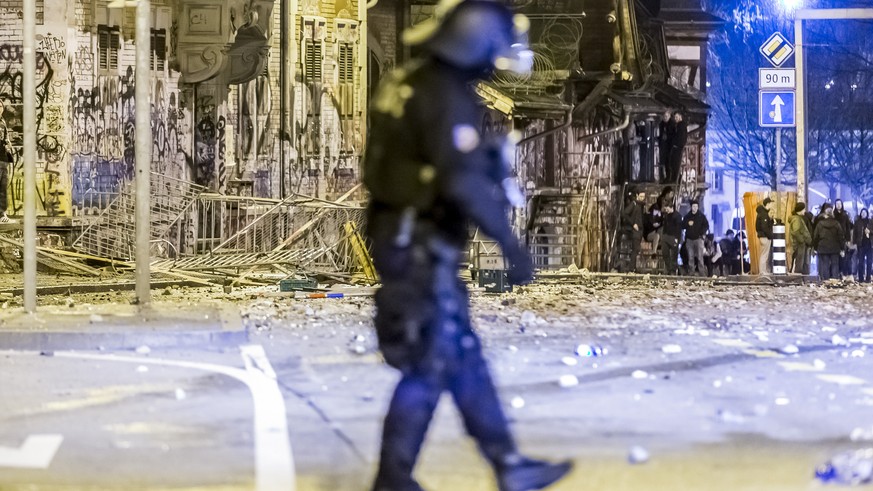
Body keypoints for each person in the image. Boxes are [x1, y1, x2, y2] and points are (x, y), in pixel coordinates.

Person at [362, 2, 572, 490]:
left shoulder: (406, 81)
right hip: (420, 243)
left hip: (403, 235)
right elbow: (461, 181)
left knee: (462, 356)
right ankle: (392, 479)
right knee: (431, 363)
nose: (489, 68)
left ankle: (508, 465)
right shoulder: (442, 94)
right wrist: (510, 245)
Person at [814, 203, 844, 282]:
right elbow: (841, 237)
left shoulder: (820, 224)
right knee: (835, 265)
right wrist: (842, 248)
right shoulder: (837, 224)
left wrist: (815, 247)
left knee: (825, 265)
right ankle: (834, 281)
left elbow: (816, 236)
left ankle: (825, 281)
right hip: (835, 247)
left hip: (823, 247)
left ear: (825, 214)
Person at [619, 190, 644, 273]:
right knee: (635, 249)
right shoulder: (634, 204)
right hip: (635, 230)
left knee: (636, 249)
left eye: (643, 197)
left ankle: (633, 267)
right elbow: (624, 213)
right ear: (637, 195)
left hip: (640, 230)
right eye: (641, 196)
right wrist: (633, 224)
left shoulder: (640, 205)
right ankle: (631, 268)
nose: (642, 198)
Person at [682, 200, 709, 276]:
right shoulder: (687, 216)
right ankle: (691, 272)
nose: (695, 208)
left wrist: (702, 233)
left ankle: (702, 272)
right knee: (690, 257)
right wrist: (687, 224)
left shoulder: (701, 216)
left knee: (700, 257)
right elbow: (683, 225)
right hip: (689, 239)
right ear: (691, 207)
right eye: (693, 206)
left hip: (698, 239)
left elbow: (706, 225)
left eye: (696, 206)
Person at [789, 202, 812, 275]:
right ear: (800, 210)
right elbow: (796, 231)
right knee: (799, 261)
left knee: (803, 261)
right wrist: (802, 240)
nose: (804, 211)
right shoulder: (797, 219)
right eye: (803, 209)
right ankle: (797, 276)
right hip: (799, 244)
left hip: (801, 244)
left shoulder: (798, 218)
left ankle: (803, 276)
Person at [661, 201, 682, 275]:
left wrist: (677, 239)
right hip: (666, 236)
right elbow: (665, 227)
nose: (666, 211)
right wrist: (663, 235)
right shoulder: (666, 216)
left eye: (667, 209)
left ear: (671, 208)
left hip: (674, 237)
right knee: (665, 253)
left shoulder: (677, 216)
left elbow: (678, 229)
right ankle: (668, 268)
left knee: (674, 255)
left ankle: (673, 270)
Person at [834, 199, 854, 277]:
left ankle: (844, 273)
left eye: (840, 204)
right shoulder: (833, 215)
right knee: (837, 258)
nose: (838, 205)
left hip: (844, 239)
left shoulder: (845, 215)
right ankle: (838, 274)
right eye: (837, 204)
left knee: (844, 257)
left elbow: (848, 227)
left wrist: (848, 239)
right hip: (835, 239)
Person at [755, 197, 775, 274]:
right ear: (767, 204)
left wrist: (771, 220)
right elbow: (764, 227)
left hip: (763, 236)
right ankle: (762, 271)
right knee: (764, 255)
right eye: (771, 203)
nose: (771, 205)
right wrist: (770, 235)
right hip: (765, 237)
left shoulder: (762, 213)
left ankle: (764, 271)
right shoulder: (764, 214)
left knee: (764, 255)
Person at [666, 111, 687, 184]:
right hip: (677, 146)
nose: (675, 119)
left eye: (677, 117)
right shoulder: (679, 126)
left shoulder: (681, 126)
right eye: (675, 117)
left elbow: (680, 137)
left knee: (675, 163)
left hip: (678, 147)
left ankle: (676, 178)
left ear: (680, 117)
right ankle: (675, 178)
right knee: (673, 163)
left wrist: (676, 143)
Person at [854, 208, 873, 282]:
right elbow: (855, 234)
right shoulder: (857, 222)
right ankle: (861, 278)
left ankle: (868, 278)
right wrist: (855, 243)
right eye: (862, 212)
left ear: (867, 213)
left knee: (869, 262)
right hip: (860, 245)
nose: (863, 213)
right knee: (860, 262)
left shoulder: (870, 221)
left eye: (865, 212)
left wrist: (870, 231)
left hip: (869, 244)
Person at [658, 110, 674, 183]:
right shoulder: (661, 124)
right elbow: (660, 134)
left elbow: (672, 135)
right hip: (663, 145)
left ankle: (669, 177)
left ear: (669, 116)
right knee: (663, 162)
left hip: (669, 145)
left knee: (669, 162)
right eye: (664, 116)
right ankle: (664, 177)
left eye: (666, 116)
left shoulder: (672, 124)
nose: (665, 118)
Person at [0, 136, 12, 223]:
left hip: (4, 162)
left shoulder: (2, 123)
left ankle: (2, 213)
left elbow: (8, 144)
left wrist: (8, 145)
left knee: (3, 190)